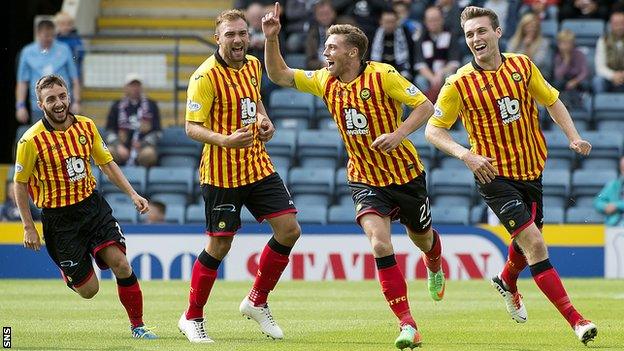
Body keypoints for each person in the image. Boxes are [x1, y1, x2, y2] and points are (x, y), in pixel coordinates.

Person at [262, 3, 445, 349]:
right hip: (364, 177)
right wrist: (271, 38)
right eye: (326, 46)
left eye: (332, 47)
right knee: (379, 244)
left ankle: (434, 262)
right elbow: (279, 75)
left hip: (405, 174)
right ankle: (408, 325)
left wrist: (398, 134)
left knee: (422, 239)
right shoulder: (323, 80)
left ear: (353, 52)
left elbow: (425, 106)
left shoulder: (383, 75)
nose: (325, 52)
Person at [425, 6, 597, 345]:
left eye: (481, 31)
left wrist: (573, 136)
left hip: (532, 170)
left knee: (525, 240)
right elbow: (433, 129)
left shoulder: (521, 65)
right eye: (470, 34)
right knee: (534, 242)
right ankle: (577, 320)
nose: (476, 38)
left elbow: (553, 101)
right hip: (493, 175)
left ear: (498, 32)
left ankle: (507, 280)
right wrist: (466, 154)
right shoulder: (458, 83)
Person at [178, 9, 301, 344]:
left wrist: (265, 121)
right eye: (230, 34)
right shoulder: (204, 77)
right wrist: (225, 139)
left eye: (242, 34)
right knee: (219, 245)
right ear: (218, 38)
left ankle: (257, 300)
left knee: (289, 229)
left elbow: (255, 101)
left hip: (257, 164)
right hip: (220, 174)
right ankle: (192, 317)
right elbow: (191, 127)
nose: (237, 40)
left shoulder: (252, 64)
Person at [14, 74, 157, 339]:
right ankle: (70, 272)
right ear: (40, 103)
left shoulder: (86, 127)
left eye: (62, 96)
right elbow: (19, 184)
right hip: (60, 221)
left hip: (92, 207)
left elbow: (106, 164)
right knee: (89, 290)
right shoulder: (30, 141)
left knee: (122, 264)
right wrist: (28, 227)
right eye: (51, 99)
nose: (58, 103)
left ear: (69, 95)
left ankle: (138, 326)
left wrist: (133, 194)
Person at [16, 19, 80, 124]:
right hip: (39, 106)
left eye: (51, 36)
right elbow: (22, 82)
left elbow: (74, 78)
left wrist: (76, 101)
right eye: (45, 36)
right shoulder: (27, 52)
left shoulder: (64, 49)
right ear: (38, 34)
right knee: (41, 138)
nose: (48, 39)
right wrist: (20, 105)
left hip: (62, 104)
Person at [105, 73, 161, 167]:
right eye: (132, 85)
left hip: (143, 148)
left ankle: (143, 179)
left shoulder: (151, 105)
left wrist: (143, 144)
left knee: (149, 154)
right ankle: (113, 179)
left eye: (137, 85)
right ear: (125, 87)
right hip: (121, 147)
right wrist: (118, 146)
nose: (135, 88)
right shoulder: (117, 105)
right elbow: (109, 131)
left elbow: (158, 132)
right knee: (108, 152)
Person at [413, 6, 461, 100]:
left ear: (442, 19)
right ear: (425, 22)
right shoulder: (421, 37)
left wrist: (440, 73)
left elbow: (454, 61)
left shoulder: (450, 34)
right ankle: (427, 107)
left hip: (445, 73)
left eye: (436, 19)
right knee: (420, 80)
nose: (433, 23)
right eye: (430, 20)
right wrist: (432, 78)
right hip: (428, 75)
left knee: (450, 77)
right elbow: (420, 64)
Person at [370, 9, 415, 81]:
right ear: (381, 22)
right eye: (387, 22)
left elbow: (411, 57)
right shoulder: (374, 35)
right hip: (380, 71)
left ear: (397, 22)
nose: (389, 25)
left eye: (392, 22)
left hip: (400, 71)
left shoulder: (405, 34)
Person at [506, 12, 552, 80]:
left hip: (536, 75)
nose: (532, 29)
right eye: (528, 26)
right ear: (522, 27)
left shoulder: (544, 42)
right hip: (516, 73)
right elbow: (508, 58)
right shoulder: (514, 40)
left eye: (534, 26)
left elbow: (536, 64)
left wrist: (527, 47)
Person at [594, 12, 624, 93]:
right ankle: (600, 104)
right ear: (610, 25)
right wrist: (613, 75)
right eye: (616, 24)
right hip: (609, 78)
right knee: (598, 81)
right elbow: (599, 67)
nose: (619, 27)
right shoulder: (603, 40)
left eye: (622, 23)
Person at [594, 156, 624, 227]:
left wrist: (617, 205)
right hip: (614, 224)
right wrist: (605, 206)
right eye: (623, 169)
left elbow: (616, 205)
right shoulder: (614, 185)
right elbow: (597, 201)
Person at [54, 11, 85, 80]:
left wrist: (72, 58)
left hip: (73, 76)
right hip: (57, 75)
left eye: (69, 24)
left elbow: (79, 56)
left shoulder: (76, 39)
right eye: (62, 24)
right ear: (57, 25)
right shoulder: (54, 40)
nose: (66, 27)